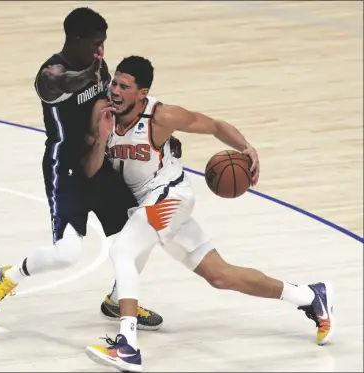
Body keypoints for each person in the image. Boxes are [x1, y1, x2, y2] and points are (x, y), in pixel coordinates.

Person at [84, 56, 334, 372]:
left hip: (170, 197)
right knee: (220, 276)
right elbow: (91, 169)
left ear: (142, 93)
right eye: (114, 83)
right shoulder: (103, 114)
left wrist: (246, 148)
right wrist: (102, 136)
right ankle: (310, 296)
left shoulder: (162, 117)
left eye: (124, 86)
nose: (115, 90)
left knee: (123, 249)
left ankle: (127, 346)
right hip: (148, 206)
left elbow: (214, 126)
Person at [0, 8, 182, 330]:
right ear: (77, 40)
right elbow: (64, 83)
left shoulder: (99, 68)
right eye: (96, 43)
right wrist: (92, 72)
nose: (101, 50)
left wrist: (162, 134)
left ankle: (118, 301)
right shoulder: (51, 75)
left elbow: (121, 105)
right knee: (67, 254)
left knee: (143, 229)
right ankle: (7, 277)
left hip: (100, 163)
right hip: (66, 169)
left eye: (104, 43)